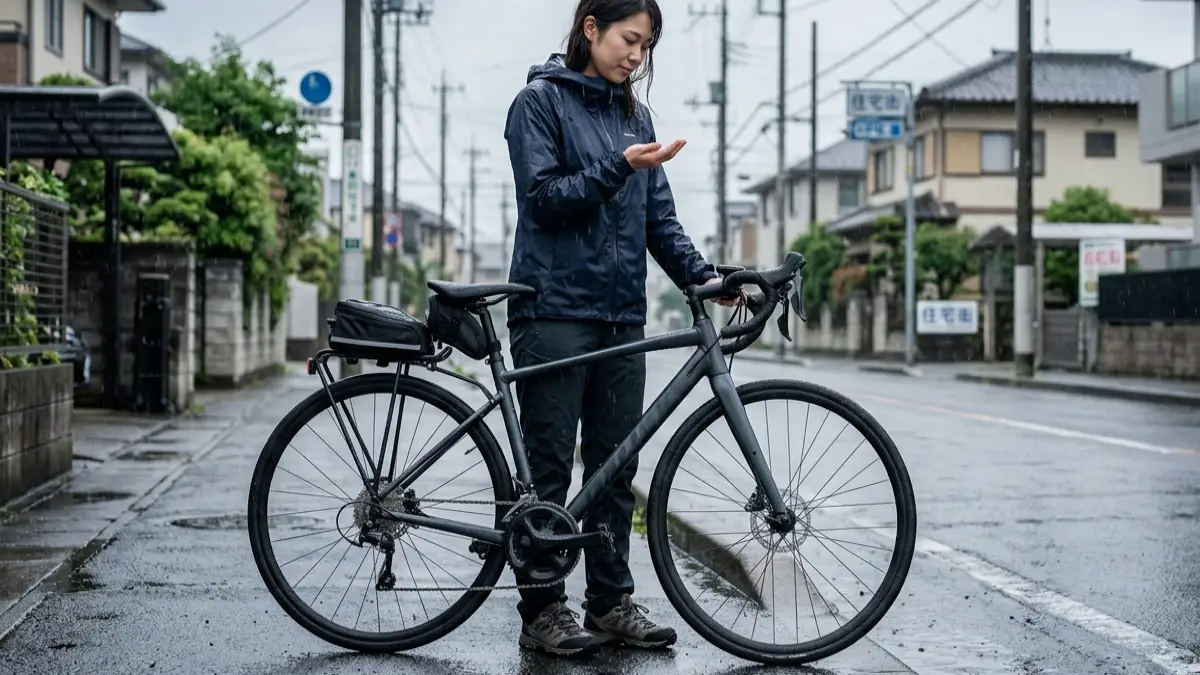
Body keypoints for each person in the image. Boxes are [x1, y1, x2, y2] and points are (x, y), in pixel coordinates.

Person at [502, 0, 738, 658]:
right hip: (552, 311)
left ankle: (609, 602)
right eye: (630, 40)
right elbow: (544, 200)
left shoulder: (636, 115)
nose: (637, 56)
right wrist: (619, 167)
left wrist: (706, 276)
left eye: (646, 46)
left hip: (620, 316)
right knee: (551, 470)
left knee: (614, 467)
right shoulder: (539, 103)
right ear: (590, 29)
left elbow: (658, 221)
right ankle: (543, 608)